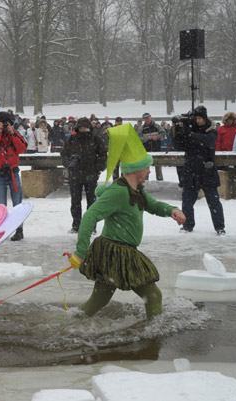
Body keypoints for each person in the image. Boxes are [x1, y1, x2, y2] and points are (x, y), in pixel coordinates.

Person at [68, 123, 186, 319]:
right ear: (136, 169)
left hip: (115, 252)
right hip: (116, 252)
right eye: (147, 167)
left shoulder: (136, 189)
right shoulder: (119, 192)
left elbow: (153, 205)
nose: (149, 171)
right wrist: (81, 251)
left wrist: (172, 210)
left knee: (99, 299)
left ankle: (70, 324)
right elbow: (90, 216)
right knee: (153, 295)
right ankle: (154, 336)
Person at [174, 106, 225, 235]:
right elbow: (178, 145)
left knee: (213, 202)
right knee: (187, 201)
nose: (197, 121)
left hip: (207, 172)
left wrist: (190, 134)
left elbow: (208, 141)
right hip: (191, 171)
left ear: (205, 118)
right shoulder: (190, 130)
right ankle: (188, 225)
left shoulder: (212, 130)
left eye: (200, 118)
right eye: (196, 118)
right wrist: (179, 130)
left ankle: (219, 227)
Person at [0, 112, 27, 241]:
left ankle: (19, 230)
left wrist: (12, 133)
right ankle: (2, 230)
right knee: (1, 205)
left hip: (13, 172)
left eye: (7, 123)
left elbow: (22, 148)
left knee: (17, 204)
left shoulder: (14, 133)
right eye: (3, 123)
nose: (4, 125)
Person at [61, 117, 107, 234]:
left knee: (92, 202)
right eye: (81, 128)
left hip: (91, 175)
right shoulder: (71, 140)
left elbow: (103, 155)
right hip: (75, 175)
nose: (83, 130)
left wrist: (98, 168)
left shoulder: (95, 139)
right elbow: (64, 155)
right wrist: (69, 164)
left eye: (85, 127)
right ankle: (76, 225)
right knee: (75, 202)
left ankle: (91, 226)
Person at [137, 112, 166, 180]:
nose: (147, 119)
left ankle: (160, 181)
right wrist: (147, 138)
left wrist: (158, 137)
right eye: (145, 118)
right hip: (146, 151)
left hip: (157, 149)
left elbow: (163, 134)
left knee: (158, 167)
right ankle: (145, 181)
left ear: (150, 117)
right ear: (144, 119)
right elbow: (138, 139)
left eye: (148, 117)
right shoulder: (141, 128)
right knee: (146, 168)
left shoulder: (157, 126)